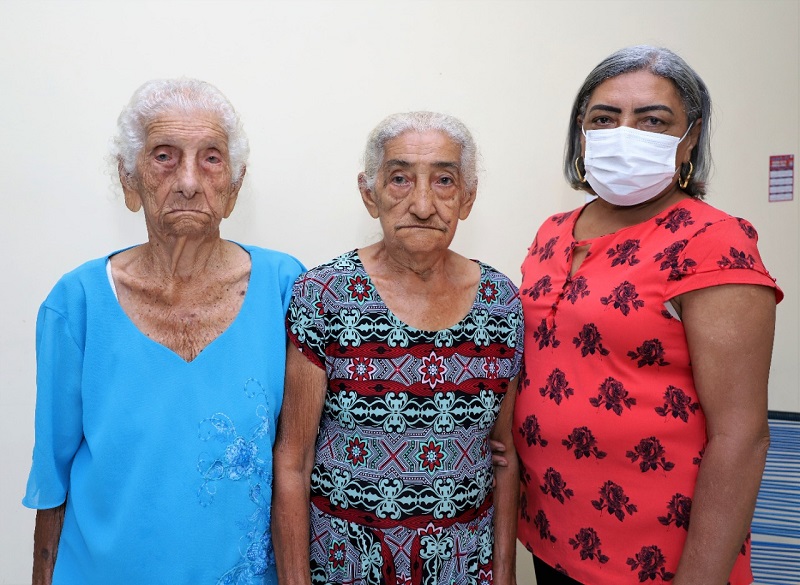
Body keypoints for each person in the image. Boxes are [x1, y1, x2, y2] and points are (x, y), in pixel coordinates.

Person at [513, 45, 783, 585]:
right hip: (552, 528)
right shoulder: (553, 231)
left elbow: (741, 436)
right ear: (581, 134)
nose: (624, 134)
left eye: (652, 120)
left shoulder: (713, 241)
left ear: (691, 138)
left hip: (657, 552)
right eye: (604, 118)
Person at [23, 78, 304, 584]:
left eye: (211, 158)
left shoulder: (286, 289)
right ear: (129, 179)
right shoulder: (77, 302)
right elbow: (53, 480)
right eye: (164, 157)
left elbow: (305, 458)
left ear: (235, 185)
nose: (189, 182)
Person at [272, 111, 523, 585]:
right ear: (370, 194)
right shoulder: (324, 295)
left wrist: (505, 574)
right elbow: (293, 461)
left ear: (467, 198)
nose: (423, 205)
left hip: (461, 569)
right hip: (345, 569)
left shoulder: (501, 301)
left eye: (444, 180)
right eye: (400, 179)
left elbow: (504, 454)